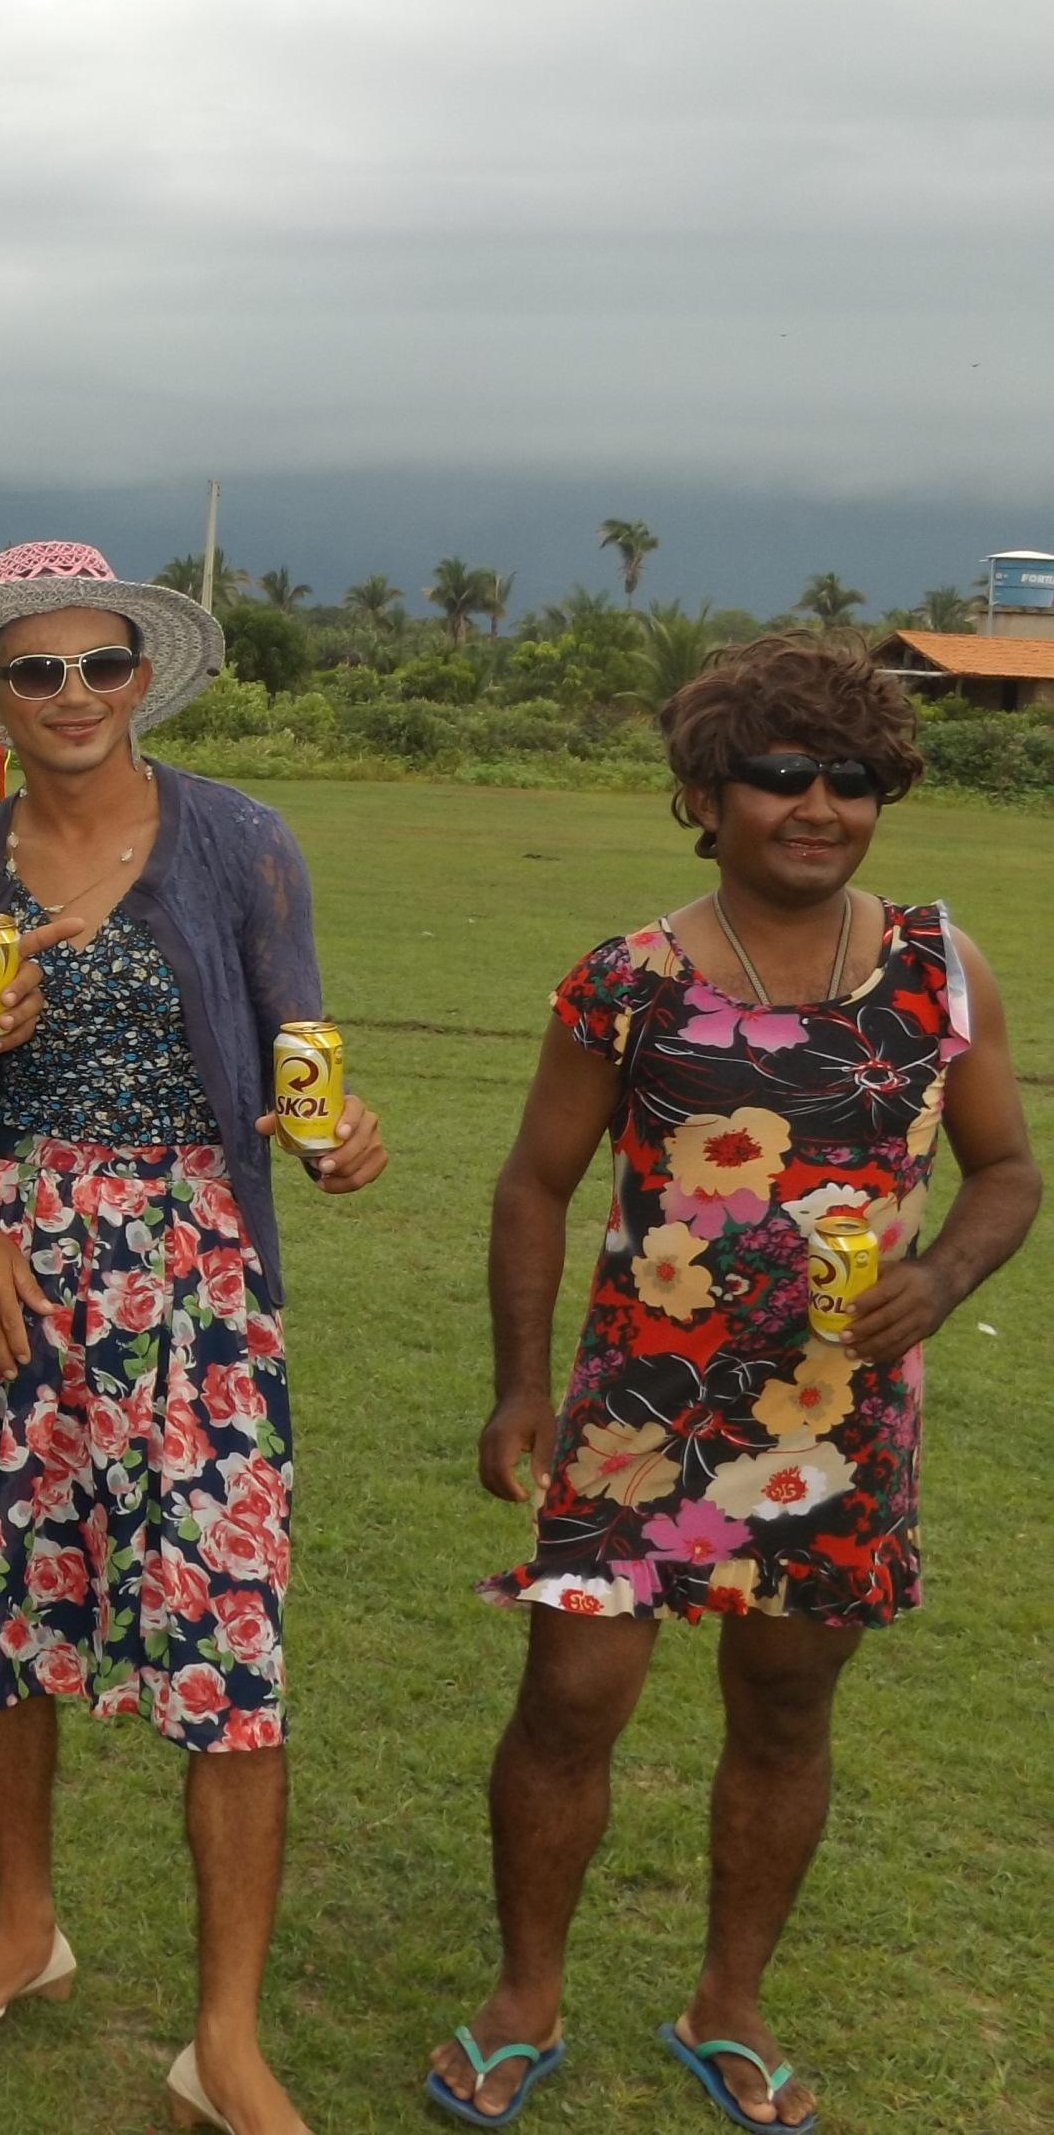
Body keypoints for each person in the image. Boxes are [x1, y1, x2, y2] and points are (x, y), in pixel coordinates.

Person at [425, 633, 1035, 2132]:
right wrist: (518, 1389)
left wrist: (941, 1279)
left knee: (785, 1709)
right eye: (779, 774)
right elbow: (533, 1184)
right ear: (706, 798)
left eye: (851, 777)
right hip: (640, 1409)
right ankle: (523, 1998)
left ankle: (731, 2004)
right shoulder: (628, 981)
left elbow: (1008, 1170)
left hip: (837, 1424)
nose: (818, 805)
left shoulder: (941, 971)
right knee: (569, 1700)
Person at [0, 541, 386, 2135]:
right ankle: (27, 1928)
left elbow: (295, 1044)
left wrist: (336, 1136)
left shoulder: (240, 841)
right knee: (4, 1615)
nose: (75, 694)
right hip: (9, 1278)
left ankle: (224, 2038)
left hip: (194, 1286)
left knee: (230, 1640)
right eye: (39, 670)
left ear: (143, 678)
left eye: (103, 664)